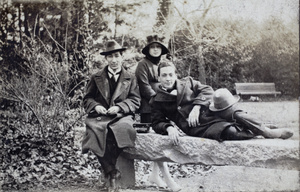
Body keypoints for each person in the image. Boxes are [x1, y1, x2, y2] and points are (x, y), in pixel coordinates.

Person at [150, 61, 293, 146]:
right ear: (158, 77)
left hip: (210, 110)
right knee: (229, 131)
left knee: (236, 113)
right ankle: (257, 131)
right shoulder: (156, 100)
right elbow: (156, 122)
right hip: (197, 126)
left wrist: (197, 107)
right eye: (164, 75)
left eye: (171, 75)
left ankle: (268, 132)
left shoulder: (188, 82)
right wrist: (169, 128)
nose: (168, 79)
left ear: (175, 75)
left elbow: (207, 90)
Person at [81, 40, 141, 192]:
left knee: (122, 131)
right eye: (110, 57)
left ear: (122, 57)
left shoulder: (130, 78)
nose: (114, 60)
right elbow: (87, 99)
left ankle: (110, 172)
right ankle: (112, 172)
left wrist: (120, 107)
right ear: (106, 59)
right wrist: (97, 106)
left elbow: (135, 100)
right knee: (93, 134)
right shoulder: (96, 77)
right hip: (100, 117)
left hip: (121, 116)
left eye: (116, 56)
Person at [135, 35, 181, 192]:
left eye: (158, 47)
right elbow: (144, 86)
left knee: (162, 139)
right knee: (155, 141)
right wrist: (158, 99)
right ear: (148, 49)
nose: (155, 49)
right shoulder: (142, 64)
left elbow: (172, 82)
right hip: (149, 106)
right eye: (152, 47)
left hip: (164, 105)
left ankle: (154, 175)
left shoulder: (163, 65)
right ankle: (168, 178)